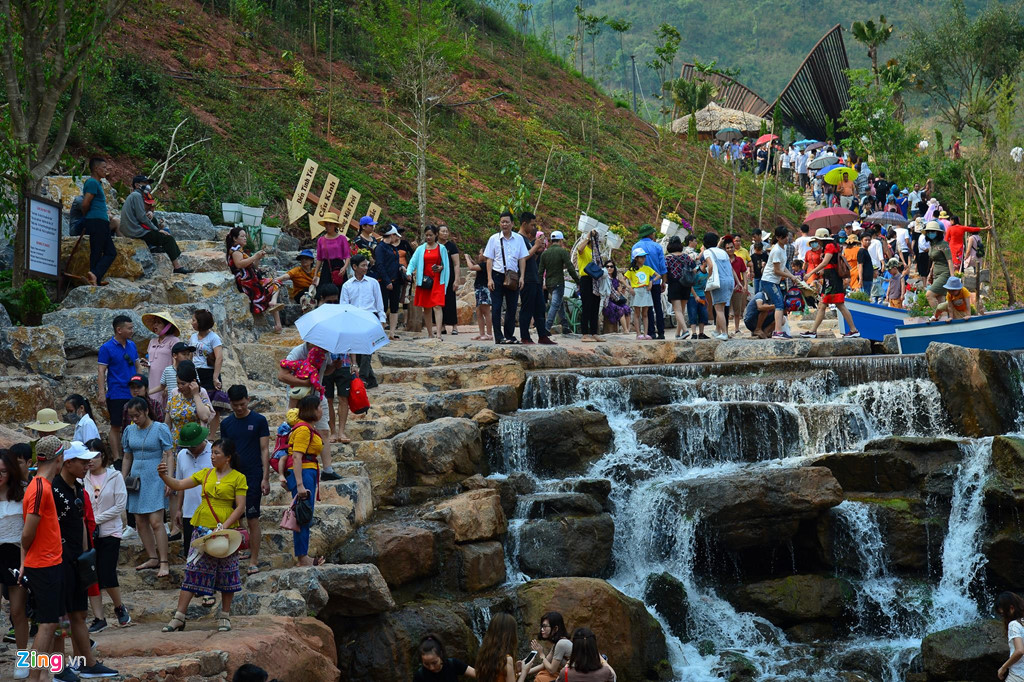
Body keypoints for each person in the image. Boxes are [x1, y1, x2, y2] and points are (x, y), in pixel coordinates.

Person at [157, 438, 246, 634]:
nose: (212, 457)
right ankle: (179, 616)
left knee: (227, 573)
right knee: (193, 569)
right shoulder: (205, 474)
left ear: (228, 458)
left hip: (225, 531)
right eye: (212, 453)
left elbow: (240, 507)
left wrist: (224, 527)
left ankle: (225, 615)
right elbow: (179, 484)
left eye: (217, 454)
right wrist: (164, 477)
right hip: (202, 528)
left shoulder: (239, 478)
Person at [52, 441, 118, 678]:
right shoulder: (53, 489)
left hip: (78, 560)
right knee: (61, 618)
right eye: (82, 461)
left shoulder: (78, 488)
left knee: (79, 614)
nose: (88, 464)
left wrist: (86, 554)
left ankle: (88, 664)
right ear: (68, 463)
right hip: (59, 562)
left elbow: (80, 525)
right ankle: (58, 669)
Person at [219, 385, 269, 576]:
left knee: (253, 517)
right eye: (234, 405)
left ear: (248, 400)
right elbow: (224, 451)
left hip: (253, 474)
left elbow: (264, 449)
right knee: (235, 516)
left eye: (241, 404)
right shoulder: (227, 424)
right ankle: (241, 549)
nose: (239, 408)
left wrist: (265, 477)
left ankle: (254, 559)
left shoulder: (258, 421)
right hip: (232, 476)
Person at [121, 396, 174, 577]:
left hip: (156, 476)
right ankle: (152, 557)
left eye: (137, 415)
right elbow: (127, 456)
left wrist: (169, 478)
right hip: (136, 477)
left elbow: (169, 453)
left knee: (156, 521)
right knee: (140, 521)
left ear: (145, 412)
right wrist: (122, 477)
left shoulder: (160, 428)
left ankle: (164, 561)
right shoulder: (129, 430)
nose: (134, 419)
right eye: (131, 416)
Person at [83, 439, 130, 633]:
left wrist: (96, 519)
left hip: (110, 531)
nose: (92, 460)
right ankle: (99, 617)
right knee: (91, 576)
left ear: (103, 456)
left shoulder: (115, 476)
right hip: (88, 534)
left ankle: (119, 606)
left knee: (107, 572)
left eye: (96, 455)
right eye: (88, 457)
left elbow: (120, 506)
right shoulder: (81, 477)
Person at [278, 343, 338, 481]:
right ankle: (290, 466)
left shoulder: (325, 352)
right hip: (299, 396)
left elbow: (325, 370)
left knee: (323, 430)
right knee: (295, 430)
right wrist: (307, 383)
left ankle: (328, 470)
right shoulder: (298, 352)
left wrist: (334, 366)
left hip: (317, 396)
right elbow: (282, 375)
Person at [283, 396, 325, 567]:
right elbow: (297, 457)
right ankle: (302, 557)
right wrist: (300, 484)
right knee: (303, 515)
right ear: (312, 410)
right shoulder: (303, 430)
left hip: (308, 472)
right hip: (304, 473)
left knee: (304, 514)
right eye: (319, 407)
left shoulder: (307, 428)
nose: (321, 410)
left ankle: (303, 555)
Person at [119, 175, 189, 273]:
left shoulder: (135, 195)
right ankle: (177, 267)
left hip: (132, 229)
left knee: (154, 220)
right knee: (167, 238)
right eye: (145, 183)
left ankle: (156, 247)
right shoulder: (136, 195)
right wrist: (157, 230)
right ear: (137, 185)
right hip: (135, 231)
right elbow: (141, 217)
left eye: (148, 183)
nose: (148, 186)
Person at [98, 314, 144, 465]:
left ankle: (133, 455)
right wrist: (101, 393)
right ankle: (117, 457)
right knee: (116, 425)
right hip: (117, 392)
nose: (132, 331)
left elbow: (138, 365)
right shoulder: (106, 348)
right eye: (129, 328)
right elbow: (101, 371)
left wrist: (141, 384)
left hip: (134, 392)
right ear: (119, 330)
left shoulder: (132, 345)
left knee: (136, 423)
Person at [800, 229, 860, 339]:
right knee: (826, 304)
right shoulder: (833, 246)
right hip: (831, 277)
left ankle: (853, 330)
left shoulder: (829, 247)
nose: (817, 242)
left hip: (831, 279)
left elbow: (825, 262)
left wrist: (810, 273)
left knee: (837, 304)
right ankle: (813, 331)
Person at [0, 449, 29, 678]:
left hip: (16, 555)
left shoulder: (23, 493)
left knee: (18, 612)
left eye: (3, 471)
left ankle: (23, 658)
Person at [226, 226, 283, 332]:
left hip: (252, 279)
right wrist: (255, 257)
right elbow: (239, 264)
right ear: (235, 238)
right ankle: (276, 318)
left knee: (275, 282)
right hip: (246, 282)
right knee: (273, 284)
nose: (245, 238)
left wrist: (258, 258)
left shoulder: (241, 251)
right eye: (242, 236)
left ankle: (276, 314)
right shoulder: (235, 250)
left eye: (245, 236)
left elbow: (254, 267)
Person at [340, 253, 385, 387]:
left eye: (367, 265)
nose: (366, 268)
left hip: (370, 318)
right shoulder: (347, 285)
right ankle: (371, 380)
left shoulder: (373, 283)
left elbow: (379, 303)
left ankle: (364, 377)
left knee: (367, 348)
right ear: (354, 267)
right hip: (353, 319)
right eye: (363, 265)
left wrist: (382, 321)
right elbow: (344, 306)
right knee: (357, 350)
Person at [171, 422, 213, 567]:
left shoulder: (215, 452)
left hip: (211, 512)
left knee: (211, 553)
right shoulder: (182, 455)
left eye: (193, 446)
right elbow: (181, 484)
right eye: (188, 446)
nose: (191, 449)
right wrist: (178, 509)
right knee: (192, 554)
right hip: (189, 513)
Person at [485, 212, 529, 345]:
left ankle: (509, 335)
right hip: (497, 275)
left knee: (512, 307)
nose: (504, 224)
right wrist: (489, 279)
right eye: (502, 222)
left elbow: (522, 258)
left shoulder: (518, 239)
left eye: (507, 222)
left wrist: (522, 276)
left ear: (512, 224)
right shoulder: (494, 239)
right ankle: (498, 337)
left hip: (513, 277)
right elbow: (489, 260)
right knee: (497, 307)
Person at [516, 213, 554, 345]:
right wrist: (535, 247)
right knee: (527, 308)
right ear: (524, 224)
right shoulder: (518, 238)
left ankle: (542, 335)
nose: (534, 227)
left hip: (535, 277)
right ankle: (525, 336)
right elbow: (522, 258)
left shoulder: (526, 239)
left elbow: (531, 257)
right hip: (526, 278)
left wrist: (537, 251)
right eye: (532, 224)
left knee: (540, 307)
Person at [408, 225, 450, 340]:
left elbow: (446, 265)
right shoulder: (421, 249)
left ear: (436, 235)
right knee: (426, 307)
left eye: (430, 235)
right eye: (426, 235)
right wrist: (409, 272)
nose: (428, 237)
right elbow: (413, 261)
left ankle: (439, 334)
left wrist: (441, 268)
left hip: (437, 279)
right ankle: (430, 333)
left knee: (437, 305)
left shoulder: (441, 248)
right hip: (424, 280)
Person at [79, 157, 116, 287]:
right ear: (96, 168)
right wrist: (88, 216)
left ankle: (95, 279)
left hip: (99, 220)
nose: (106, 171)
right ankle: (95, 274)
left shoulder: (97, 183)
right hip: (97, 220)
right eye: (104, 168)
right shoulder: (92, 182)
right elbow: (85, 203)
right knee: (110, 252)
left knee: (98, 250)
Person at [189, 309, 225, 434]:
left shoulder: (213, 337)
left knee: (213, 404)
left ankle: (212, 434)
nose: (192, 323)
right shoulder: (193, 337)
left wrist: (215, 377)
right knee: (198, 402)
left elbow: (219, 357)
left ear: (201, 322)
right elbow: (191, 354)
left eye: (194, 320)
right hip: (197, 371)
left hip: (209, 372)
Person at [539, 231, 579, 334]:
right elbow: (570, 268)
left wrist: (539, 284)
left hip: (549, 283)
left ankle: (565, 326)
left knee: (560, 303)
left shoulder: (545, 253)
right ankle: (547, 328)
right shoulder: (562, 252)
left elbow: (540, 271)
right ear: (561, 240)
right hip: (558, 282)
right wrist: (578, 281)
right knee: (555, 304)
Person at [631, 224, 667, 339]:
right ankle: (661, 332)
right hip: (655, 282)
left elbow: (633, 267)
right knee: (657, 306)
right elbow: (662, 267)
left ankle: (650, 332)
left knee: (647, 308)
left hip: (641, 285)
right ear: (650, 234)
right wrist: (663, 282)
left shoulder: (635, 246)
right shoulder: (657, 247)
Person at [167, 361, 213, 450]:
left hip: (195, 444)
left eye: (183, 384)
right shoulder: (173, 400)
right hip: (176, 444)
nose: (180, 387)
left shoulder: (201, 399)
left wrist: (195, 394)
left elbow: (204, 417)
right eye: (178, 383)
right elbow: (167, 424)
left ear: (193, 382)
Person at [760, 226, 796, 339]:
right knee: (779, 304)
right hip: (768, 280)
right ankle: (778, 331)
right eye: (783, 237)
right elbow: (776, 270)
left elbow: (783, 266)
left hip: (773, 281)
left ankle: (774, 330)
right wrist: (790, 276)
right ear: (778, 238)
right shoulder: (776, 250)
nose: (786, 239)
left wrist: (792, 276)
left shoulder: (783, 248)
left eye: (787, 237)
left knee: (779, 304)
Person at [142, 311, 181, 407]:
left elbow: (178, 363)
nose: (155, 325)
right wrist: (147, 363)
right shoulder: (152, 341)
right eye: (154, 322)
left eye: (158, 323)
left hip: (167, 382)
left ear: (167, 326)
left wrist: (169, 385)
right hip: (153, 381)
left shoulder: (174, 341)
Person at [700, 233, 735, 340]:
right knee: (722, 306)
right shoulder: (723, 252)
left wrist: (709, 277)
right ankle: (716, 331)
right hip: (729, 281)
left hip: (719, 282)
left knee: (718, 309)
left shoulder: (707, 252)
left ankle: (724, 333)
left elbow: (710, 266)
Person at [571, 230, 604, 342]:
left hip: (596, 280)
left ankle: (594, 332)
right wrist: (588, 236)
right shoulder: (584, 249)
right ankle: (585, 333)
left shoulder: (596, 252)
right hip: (586, 279)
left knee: (595, 306)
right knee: (587, 306)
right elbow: (579, 249)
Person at [476, 612, 529, 682]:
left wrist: (514, 669)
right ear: (510, 635)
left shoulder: (484, 656)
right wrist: (524, 672)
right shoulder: (506, 660)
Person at [312, 212, 352, 297]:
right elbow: (319, 258)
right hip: (327, 267)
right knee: (324, 291)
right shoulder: (321, 240)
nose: (328, 226)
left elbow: (347, 255)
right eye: (326, 224)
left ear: (335, 225)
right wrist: (315, 274)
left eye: (330, 224)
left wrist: (344, 267)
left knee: (340, 291)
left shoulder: (342, 239)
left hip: (339, 266)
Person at [374, 227, 402, 339]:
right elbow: (380, 265)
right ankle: (380, 332)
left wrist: (401, 268)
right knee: (383, 306)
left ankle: (392, 333)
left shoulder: (392, 248)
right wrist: (386, 281)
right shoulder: (380, 248)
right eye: (395, 235)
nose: (396, 238)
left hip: (396, 280)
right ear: (391, 235)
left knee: (394, 306)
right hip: (384, 281)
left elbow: (394, 263)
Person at [527, 612, 572, 682]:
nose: (542, 629)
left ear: (555, 628)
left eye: (545, 626)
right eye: (542, 626)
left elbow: (552, 670)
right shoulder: (557, 643)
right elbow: (543, 665)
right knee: (542, 674)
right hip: (566, 676)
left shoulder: (561, 643)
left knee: (541, 678)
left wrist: (541, 654)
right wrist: (522, 672)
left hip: (575, 678)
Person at [625, 248, 658, 340]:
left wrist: (651, 282)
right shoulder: (632, 270)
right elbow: (623, 279)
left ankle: (646, 333)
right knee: (637, 312)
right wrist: (630, 287)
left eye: (644, 257)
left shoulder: (647, 268)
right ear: (636, 258)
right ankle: (638, 333)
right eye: (641, 257)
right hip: (637, 291)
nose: (643, 259)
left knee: (645, 313)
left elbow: (657, 275)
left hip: (645, 291)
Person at [437, 225, 462, 335]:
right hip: (437, 277)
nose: (445, 233)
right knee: (438, 301)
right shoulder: (434, 246)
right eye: (443, 231)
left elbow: (456, 264)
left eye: (447, 231)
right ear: (437, 233)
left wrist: (456, 280)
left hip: (450, 277)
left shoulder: (451, 246)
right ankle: (441, 326)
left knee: (450, 301)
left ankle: (454, 327)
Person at [994, 592, 1024, 682]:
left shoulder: (1014, 624)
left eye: (1003, 614)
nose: (1003, 617)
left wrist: (1003, 667)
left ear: (1011, 608)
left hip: (1018, 675)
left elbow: (1019, 651)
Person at [924, 221, 953, 308]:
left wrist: (952, 277)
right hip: (936, 274)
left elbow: (949, 260)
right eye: (928, 232)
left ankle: (936, 314)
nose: (930, 233)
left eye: (932, 231)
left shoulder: (943, 244)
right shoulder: (932, 244)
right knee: (940, 299)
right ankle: (942, 317)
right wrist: (930, 272)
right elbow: (934, 260)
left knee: (929, 295)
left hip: (944, 274)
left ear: (938, 232)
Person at [466, 250, 493, 341]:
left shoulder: (486, 265)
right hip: (478, 289)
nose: (479, 254)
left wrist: (466, 258)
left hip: (483, 289)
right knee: (479, 312)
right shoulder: (482, 265)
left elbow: (472, 267)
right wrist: (471, 260)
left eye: (480, 253)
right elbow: (475, 265)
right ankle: (482, 333)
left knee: (486, 311)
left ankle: (489, 333)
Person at [723, 236, 748, 336]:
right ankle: (725, 330)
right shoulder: (724, 260)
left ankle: (737, 329)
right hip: (726, 287)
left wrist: (745, 284)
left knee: (737, 309)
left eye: (731, 247)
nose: (730, 249)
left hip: (738, 287)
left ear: (734, 247)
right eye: (728, 248)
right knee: (725, 310)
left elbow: (744, 272)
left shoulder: (740, 260)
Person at [601, 261, 631, 334]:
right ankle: (625, 330)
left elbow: (618, 290)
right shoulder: (604, 278)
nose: (609, 268)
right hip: (607, 302)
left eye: (611, 266)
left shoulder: (615, 279)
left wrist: (620, 291)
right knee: (620, 310)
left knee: (627, 308)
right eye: (607, 266)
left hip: (616, 300)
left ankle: (628, 329)